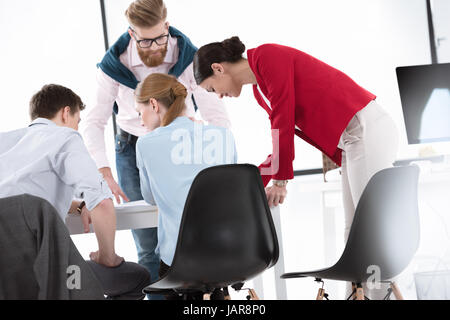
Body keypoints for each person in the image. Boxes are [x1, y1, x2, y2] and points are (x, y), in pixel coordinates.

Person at [193, 37, 399, 299]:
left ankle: (380, 296)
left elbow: (283, 121)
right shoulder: (259, 89)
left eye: (212, 89)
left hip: (365, 129)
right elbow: (284, 131)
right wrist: (251, 180)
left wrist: (280, 180)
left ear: (218, 68)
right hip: (353, 140)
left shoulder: (266, 57)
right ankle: (359, 297)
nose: (219, 96)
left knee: (369, 229)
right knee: (354, 230)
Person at [82, 0, 231, 291]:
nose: (153, 46)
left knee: (195, 226)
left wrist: (218, 163)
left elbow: (215, 113)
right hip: (132, 145)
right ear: (131, 33)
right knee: (148, 243)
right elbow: (94, 121)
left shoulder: (189, 56)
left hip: (182, 143)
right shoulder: (115, 63)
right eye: (144, 40)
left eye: (159, 38)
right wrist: (104, 172)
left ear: (167, 25)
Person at [0, 84, 150, 299]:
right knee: (135, 278)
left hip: (6, 280)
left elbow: (19, 203)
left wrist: (79, 205)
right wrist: (107, 257)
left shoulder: (5, 142)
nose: (77, 129)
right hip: (49, 275)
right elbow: (103, 202)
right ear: (66, 112)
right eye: (77, 122)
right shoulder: (64, 137)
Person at [134, 73, 237, 299]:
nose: (140, 120)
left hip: (181, 262)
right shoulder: (223, 135)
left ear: (153, 104)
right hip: (230, 251)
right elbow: (232, 191)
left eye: (139, 111)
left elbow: (150, 198)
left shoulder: (146, 143)